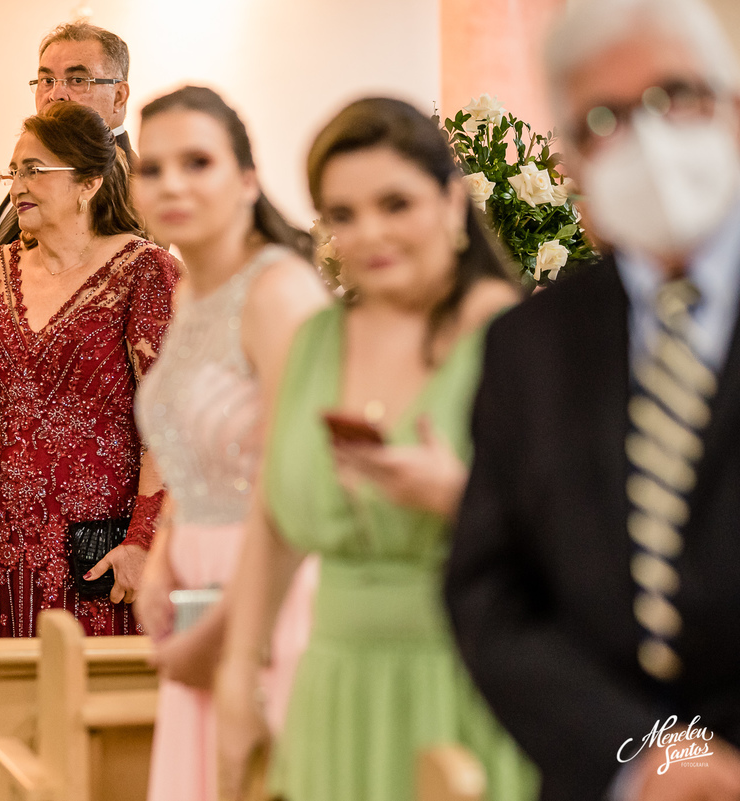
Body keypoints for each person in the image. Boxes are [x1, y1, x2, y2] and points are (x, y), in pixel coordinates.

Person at [446, 1, 740, 799]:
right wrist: (648, 759)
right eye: (607, 117)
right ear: (573, 154)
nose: (651, 138)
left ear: (733, 109)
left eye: (678, 96)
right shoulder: (529, 346)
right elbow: (491, 589)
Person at [215, 98, 537, 801]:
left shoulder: (515, 338)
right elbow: (272, 517)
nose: (371, 234)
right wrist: (240, 670)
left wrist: (460, 497)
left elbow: (585, 536)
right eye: (344, 214)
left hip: (467, 682)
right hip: (334, 683)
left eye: (396, 204)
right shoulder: (315, 343)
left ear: (453, 202)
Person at [130, 86, 331, 801]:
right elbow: (193, 458)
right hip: (198, 586)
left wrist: (226, 642)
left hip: (272, 598)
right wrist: (161, 560)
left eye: (197, 161)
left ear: (247, 179)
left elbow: (300, 486)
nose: (172, 183)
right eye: (152, 168)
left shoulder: (280, 292)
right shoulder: (190, 294)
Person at [0, 100, 178, 637]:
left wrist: (142, 540)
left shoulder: (146, 272)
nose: (18, 186)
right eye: (13, 172)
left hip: (99, 548)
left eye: (35, 171)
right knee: (1, 711)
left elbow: (173, 422)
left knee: (87, 706)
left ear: (89, 184)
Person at [0, 21, 135, 284]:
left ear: (119, 96)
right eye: (47, 80)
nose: (56, 94)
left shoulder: (140, 185)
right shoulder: (37, 165)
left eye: (78, 80)